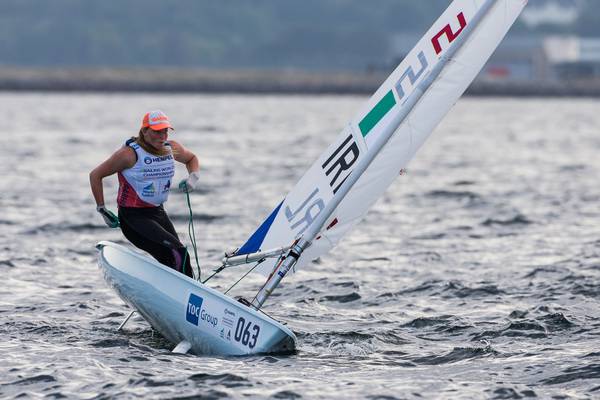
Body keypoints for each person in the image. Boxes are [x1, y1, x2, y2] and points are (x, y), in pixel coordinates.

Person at [90, 110, 200, 278]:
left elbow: (192, 159)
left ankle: (186, 296)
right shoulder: (128, 155)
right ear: (145, 131)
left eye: (165, 131)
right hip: (133, 219)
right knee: (179, 253)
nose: (162, 136)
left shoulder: (172, 148)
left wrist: (193, 177)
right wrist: (102, 210)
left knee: (174, 258)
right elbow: (96, 175)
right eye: (157, 131)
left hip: (157, 213)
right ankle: (188, 295)